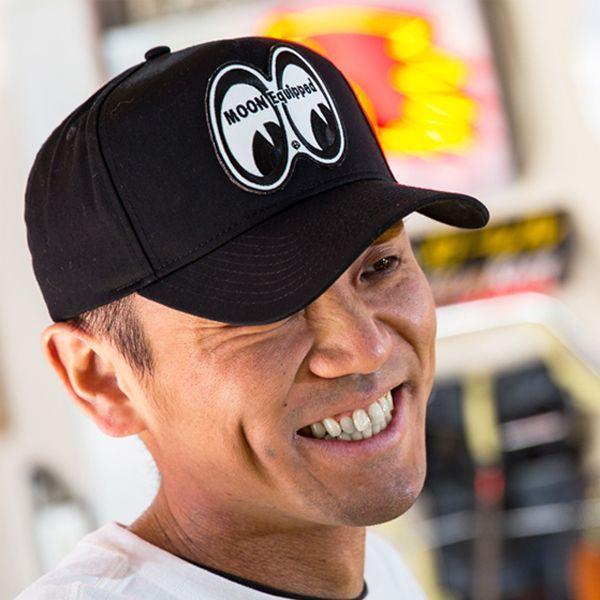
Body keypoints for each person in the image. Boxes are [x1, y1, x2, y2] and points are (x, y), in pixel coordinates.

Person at [17, 36, 488, 599]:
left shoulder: (383, 573)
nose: (366, 349)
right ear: (101, 379)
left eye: (380, 266)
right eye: (268, 307)